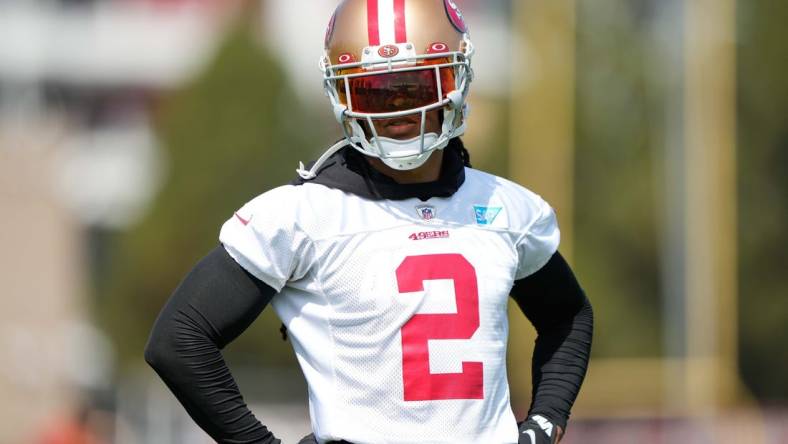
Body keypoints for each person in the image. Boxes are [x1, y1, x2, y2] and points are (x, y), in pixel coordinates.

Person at [144, 0, 593, 443]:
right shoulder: (303, 215)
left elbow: (568, 316)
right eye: (374, 91)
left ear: (455, 80)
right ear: (341, 95)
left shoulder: (505, 207)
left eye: (416, 86)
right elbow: (180, 341)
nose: (398, 110)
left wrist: (544, 421)